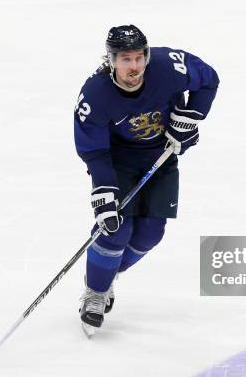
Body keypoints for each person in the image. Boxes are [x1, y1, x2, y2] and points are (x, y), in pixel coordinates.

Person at [73, 25, 219, 335]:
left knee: (151, 234)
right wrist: (104, 190)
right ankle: (96, 293)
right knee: (115, 229)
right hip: (118, 160)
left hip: (161, 154)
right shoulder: (95, 94)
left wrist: (192, 116)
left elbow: (209, 78)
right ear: (111, 60)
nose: (135, 66)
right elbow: (94, 150)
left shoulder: (167, 67)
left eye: (140, 57)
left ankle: (107, 274)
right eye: (126, 59)